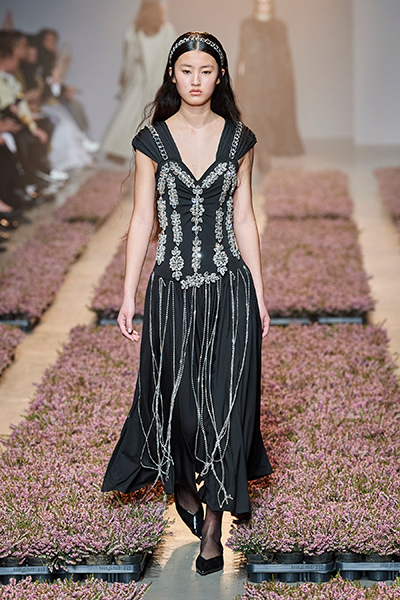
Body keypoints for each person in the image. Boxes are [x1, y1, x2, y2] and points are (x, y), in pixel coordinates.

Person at [102, 31, 273, 576]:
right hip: (171, 290)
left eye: (205, 70)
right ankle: (182, 484)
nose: (195, 80)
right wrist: (127, 294)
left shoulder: (240, 139)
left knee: (225, 407)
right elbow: (140, 220)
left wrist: (260, 295)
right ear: (171, 76)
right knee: (178, 404)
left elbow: (244, 217)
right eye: (186, 70)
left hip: (229, 291)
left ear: (219, 77)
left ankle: (212, 535)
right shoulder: (151, 141)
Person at [101, 0, 176, 163]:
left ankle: (120, 150)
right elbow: (171, 58)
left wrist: (125, 79)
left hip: (139, 78)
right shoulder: (167, 30)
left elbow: (130, 59)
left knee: (130, 114)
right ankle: (149, 152)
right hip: (158, 80)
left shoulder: (135, 30)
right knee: (151, 114)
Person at [235, 0, 303, 172]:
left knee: (269, 115)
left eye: (267, 2)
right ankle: (261, 154)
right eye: (261, 2)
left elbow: (284, 54)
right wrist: (241, 74)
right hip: (253, 79)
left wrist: (284, 80)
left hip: (273, 81)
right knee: (254, 115)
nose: (264, 5)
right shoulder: (247, 25)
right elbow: (243, 52)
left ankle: (265, 154)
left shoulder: (279, 27)